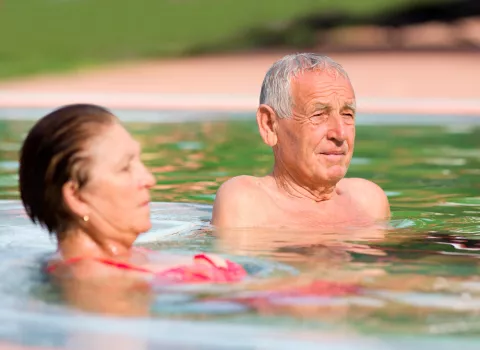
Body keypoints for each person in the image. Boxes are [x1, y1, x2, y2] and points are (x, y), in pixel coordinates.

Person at [19, 104, 247, 314]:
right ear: (77, 196)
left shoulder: (121, 262)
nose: (149, 179)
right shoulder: (99, 284)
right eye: (125, 168)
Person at [212, 53, 390, 229]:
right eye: (319, 114)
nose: (340, 133)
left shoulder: (368, 203)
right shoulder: (248, 203)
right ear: (269, 125)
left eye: (347, 114)